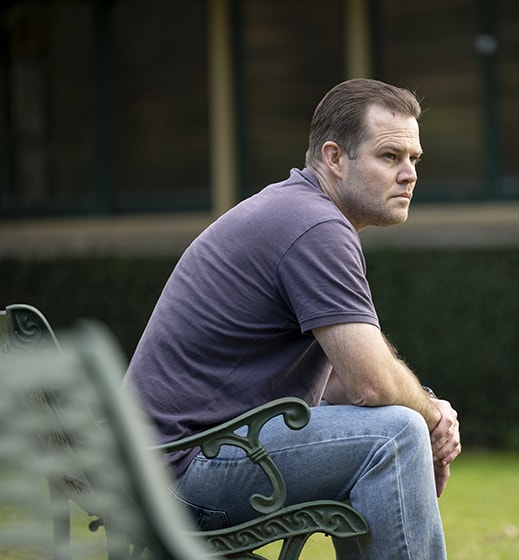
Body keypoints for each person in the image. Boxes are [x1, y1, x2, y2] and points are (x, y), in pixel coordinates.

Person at [123, 78, 461, 559]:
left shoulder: (297, 211)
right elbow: (371, 383)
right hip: (182, 472)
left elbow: (342, 384)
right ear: (334, 158)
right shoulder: (315, 226)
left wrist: (423, 410)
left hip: (163, 464)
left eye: (414, 159)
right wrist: (433, 418)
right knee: (394, 436)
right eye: (390, 156)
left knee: (390, 425)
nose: (409, 174)